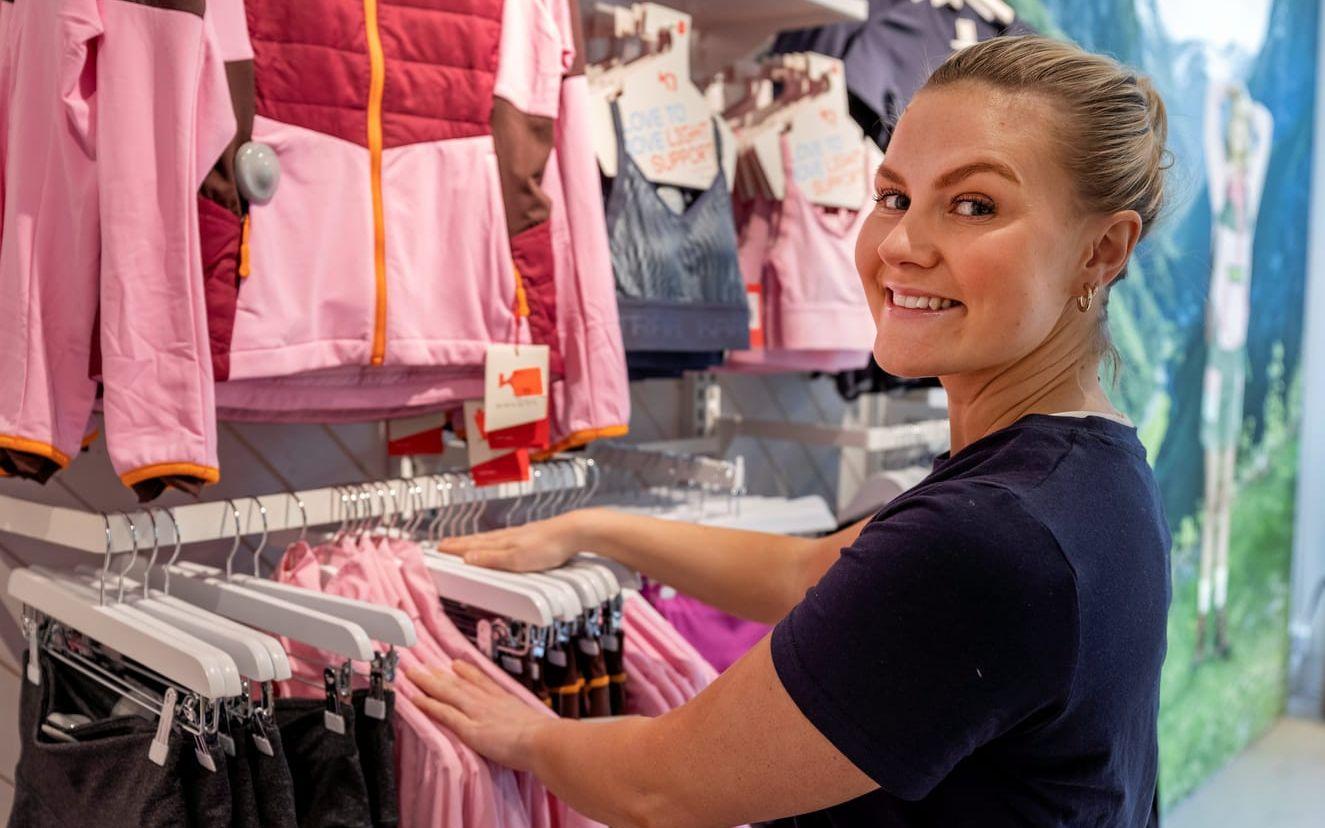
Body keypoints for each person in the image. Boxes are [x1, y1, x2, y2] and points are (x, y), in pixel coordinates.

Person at [408, 35, 1173, 827]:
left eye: (973, 205)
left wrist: (526, 735)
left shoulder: (993, 537)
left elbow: (660, 786)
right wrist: (593, 528)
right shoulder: (1086, 472)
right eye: (893, 196)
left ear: (1101, 251)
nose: (902, 245)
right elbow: (807, 570)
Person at [1196, 80, 1273, 661]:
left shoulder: (1248, 201)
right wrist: (1220, 104)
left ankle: (1218, 619)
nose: (1243, 142)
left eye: (1244, 136)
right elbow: (1209, 136)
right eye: (1236, 137)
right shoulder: (1225, 192)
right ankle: (1203, 621)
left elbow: (1266, 132)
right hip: (1217, 370)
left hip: (1235, 357)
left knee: (1227, 500)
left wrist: (1246, 104)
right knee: (1213, 491)